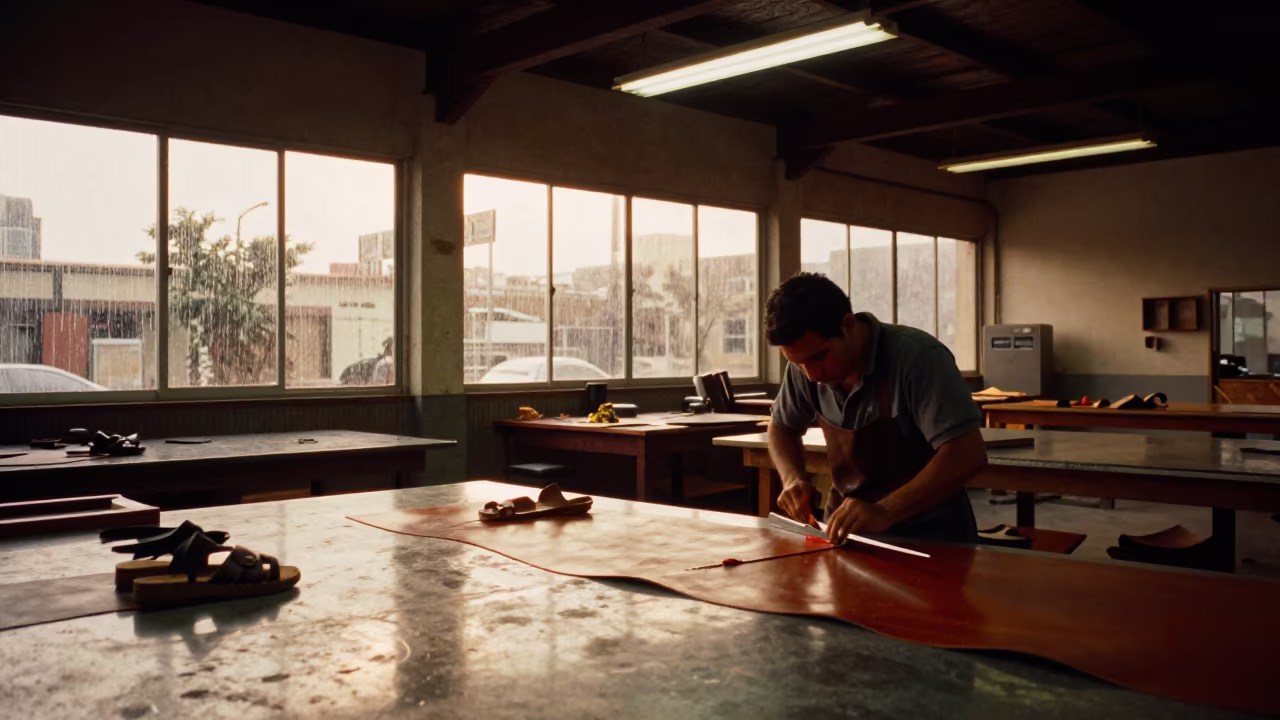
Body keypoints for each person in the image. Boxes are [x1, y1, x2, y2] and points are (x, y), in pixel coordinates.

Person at [765, 273, 987, 545]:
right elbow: (781, 427)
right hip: (846, 535)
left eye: (819, 357)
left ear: (847, 324)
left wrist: (885, 511)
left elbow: (967, 453)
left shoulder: (918, 358)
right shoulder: (804, 365)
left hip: (932, 537)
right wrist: (792, 480)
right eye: (798, 364)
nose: (810, 375)